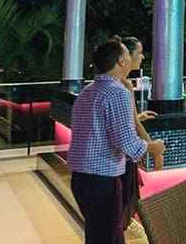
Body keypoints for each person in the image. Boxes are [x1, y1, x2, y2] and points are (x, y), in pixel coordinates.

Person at [69, 36, 166, 244]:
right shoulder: (117, 92)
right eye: (128, 53)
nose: (134, 57)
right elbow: (127, 143)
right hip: (102, 181)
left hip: (80, 179)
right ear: (121, 61)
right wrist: (154, 148)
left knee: (96, 235)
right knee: (109, 237)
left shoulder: (86, 92)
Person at [118, 37, 160, 232]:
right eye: (139, 52)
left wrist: (138, 116)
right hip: (121, 162)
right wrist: (154, 148)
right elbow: (133, 125)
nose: (142, 56)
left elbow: (132, 119)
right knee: (121, 214)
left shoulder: (123, 84)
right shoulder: (122, 87)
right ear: (126, 56)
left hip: (119, 163)